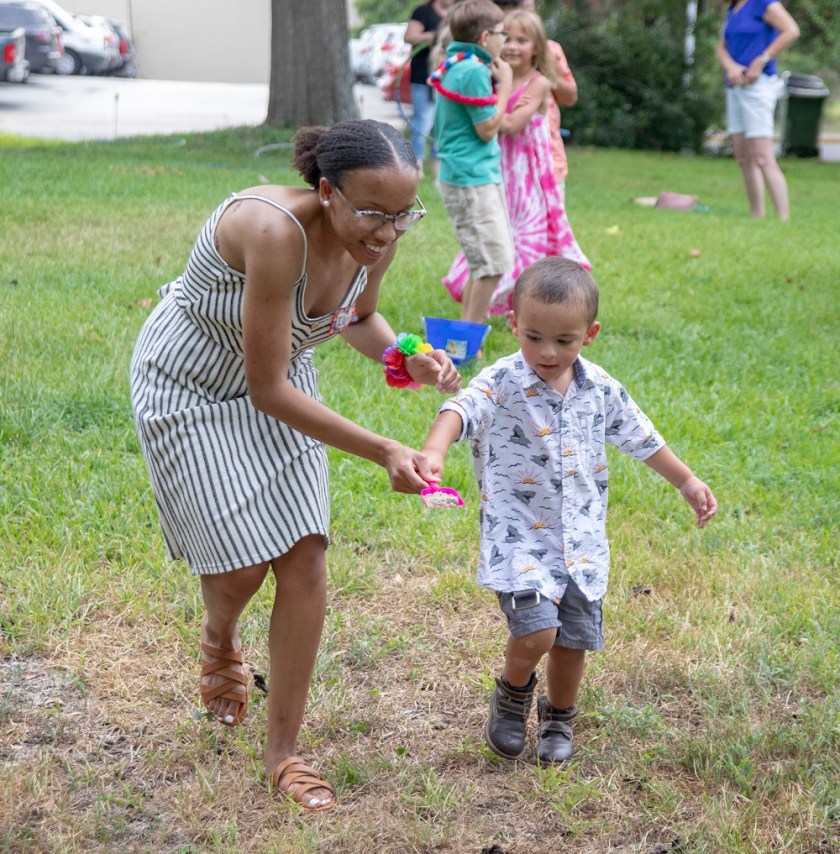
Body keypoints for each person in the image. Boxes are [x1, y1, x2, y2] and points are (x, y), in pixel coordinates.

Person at [129, 119, 462, 811]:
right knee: (243, 566)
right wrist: (383, 449)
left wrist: (409, 359)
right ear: (325, 190)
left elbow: (356, 319)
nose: (389, 231)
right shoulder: (274, 231)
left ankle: (284, 753)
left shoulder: (378, 239)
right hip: (192, 385)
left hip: (279, 379)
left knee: (305, 554)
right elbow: (266, 388)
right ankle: (219, 639)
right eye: (373, 211)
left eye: (405, 216)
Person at [422, 257, 717, 763]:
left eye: (564, 340)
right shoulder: (503, 380)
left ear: (590, 334)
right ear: (513, 324)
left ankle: (559, 716)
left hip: (580, 540)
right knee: (538, 630)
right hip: (518, 536)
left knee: (572, 640)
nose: (547, 352)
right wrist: (435, 451)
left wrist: (687, 480)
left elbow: (641, 436)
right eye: (533, 336)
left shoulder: (598, 387)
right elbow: (460, 409)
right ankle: (512, 694)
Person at [442, 9, 590, 316]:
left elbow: (508, 124)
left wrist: (505, 91)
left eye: (522, 40)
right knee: (493, 241)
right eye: (506, 37)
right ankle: (488, 310)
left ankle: (530, 305)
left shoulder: (539, 83)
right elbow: (497, 117)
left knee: (525, 242)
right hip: (496, 170)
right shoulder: (491, 75)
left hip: (526, 176)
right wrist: (503, 93)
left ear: (537, 47)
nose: (511, 45)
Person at [432, 0, 515, 324]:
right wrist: (506, 85)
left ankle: (468, 334)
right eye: (501, 34)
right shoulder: (472, 71)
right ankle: (468, 337)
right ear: (484, 37)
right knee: (492, 263)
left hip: (475, 174)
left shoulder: (460, 63)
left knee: (485, 261)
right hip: (470, 178)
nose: (504, 41)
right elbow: (486, 129)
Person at [715, 0, 800, 220]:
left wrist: (761, 60)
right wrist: (731, 67)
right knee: (744, 157)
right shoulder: (733, 10)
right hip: (734, 86)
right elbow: (721, 48)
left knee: (763, 157)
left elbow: (791, 31)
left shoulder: (763, 3)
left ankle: (783, 218)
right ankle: (757, 216)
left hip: (758, 87)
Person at [496, 0, 580, 197]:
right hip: (506, 162)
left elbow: (570, 97)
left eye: (532, 9)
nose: (528, 13)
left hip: (546, 154)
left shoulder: (550, 52)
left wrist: (544, 70)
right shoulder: (495, 68)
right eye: (522, 8)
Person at [405, 0, 455, 180]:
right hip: (422, 77)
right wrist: (434, 36)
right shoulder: (423, 12)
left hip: (447, 79)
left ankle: (437, 167)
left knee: (440, 125)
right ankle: (415, 166)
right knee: (422, 123)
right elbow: (410, 37)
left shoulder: (457, 12)